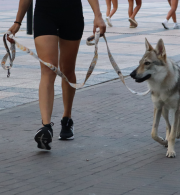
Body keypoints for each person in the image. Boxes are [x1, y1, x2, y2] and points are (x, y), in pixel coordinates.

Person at [7, 0, 106, 150]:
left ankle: (67, 119)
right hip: (45, 13)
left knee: (67, 70)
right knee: (48, 69)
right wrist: (17, 22)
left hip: (71, 13)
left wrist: (98, 15)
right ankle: (46, 127)